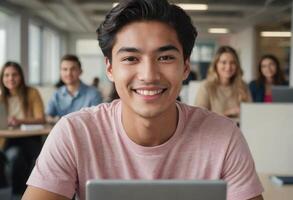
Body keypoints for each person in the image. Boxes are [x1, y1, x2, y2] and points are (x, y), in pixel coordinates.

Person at [23, 1, 263, 200]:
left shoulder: (225, 137)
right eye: (130, 58)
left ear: (186, 67)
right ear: (110, 68)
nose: (149, 76)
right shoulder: (74, 133)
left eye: (166, 57)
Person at [0, 61, 45, 195]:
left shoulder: (32, 92)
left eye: (14, 75)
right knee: (17, 156)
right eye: (6, 75)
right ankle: (19, 194)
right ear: (2, 78)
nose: (10, 78)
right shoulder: (1, 97)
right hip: (8, 140)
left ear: (21, 76)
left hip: (29, 138)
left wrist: (19, 121)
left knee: (28, 155)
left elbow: (40, 118)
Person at [195, 46, 251, 118]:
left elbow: (250, 114)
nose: (228, 67)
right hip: (214, 128)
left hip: (239, 128)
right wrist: (228, 113)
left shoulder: (243, 85)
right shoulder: (206, 86)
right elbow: (199, 117)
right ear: (216, 65)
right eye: (223, 62)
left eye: (232, 62)